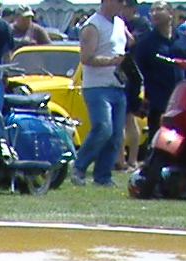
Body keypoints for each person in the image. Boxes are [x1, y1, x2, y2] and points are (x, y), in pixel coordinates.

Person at [71, 0, 125, 185]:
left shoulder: (119, 23)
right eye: (119, 1)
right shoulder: (93, 25)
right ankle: (78, 167)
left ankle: (103, 176)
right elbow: (86, 58)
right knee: (103, 128)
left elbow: (127, 43)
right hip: (97, 86)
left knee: (115, 135)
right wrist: (112, 61)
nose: (122, 4)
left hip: (118, 84)